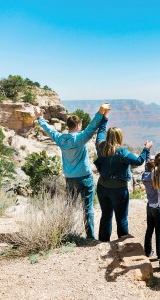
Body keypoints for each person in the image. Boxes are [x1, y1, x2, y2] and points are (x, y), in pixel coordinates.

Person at [34, 102, 111, 239]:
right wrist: (101, 111)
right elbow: (92, 127)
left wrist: (39, 118)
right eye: (80, 125)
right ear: (78, 125)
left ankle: (65, 232)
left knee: (69, 205)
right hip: (85, 177)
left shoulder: (60, 139)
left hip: (69, 177)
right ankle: (90, 236)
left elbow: (49, 129)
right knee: (87, 208)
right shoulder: (80, 138)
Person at [94, 114, 152, 242]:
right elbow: (138, 161)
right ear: (120, 137)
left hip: (102, 187)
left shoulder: (101, 147)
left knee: (106, 216)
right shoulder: (122, 152)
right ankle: (124, 244)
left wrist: (104, 118)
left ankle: (103, 242)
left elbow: (100, 132)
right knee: (121, 218)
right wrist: (146, 149)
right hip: (119, 190)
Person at [142, 159, 160, 260]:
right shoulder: (155, 177)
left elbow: (149, 169)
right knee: (159, 231)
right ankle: (159, 253)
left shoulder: (144, 176)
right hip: (157, 206)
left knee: (149, 229)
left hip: (149, 205)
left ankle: (148, 251)